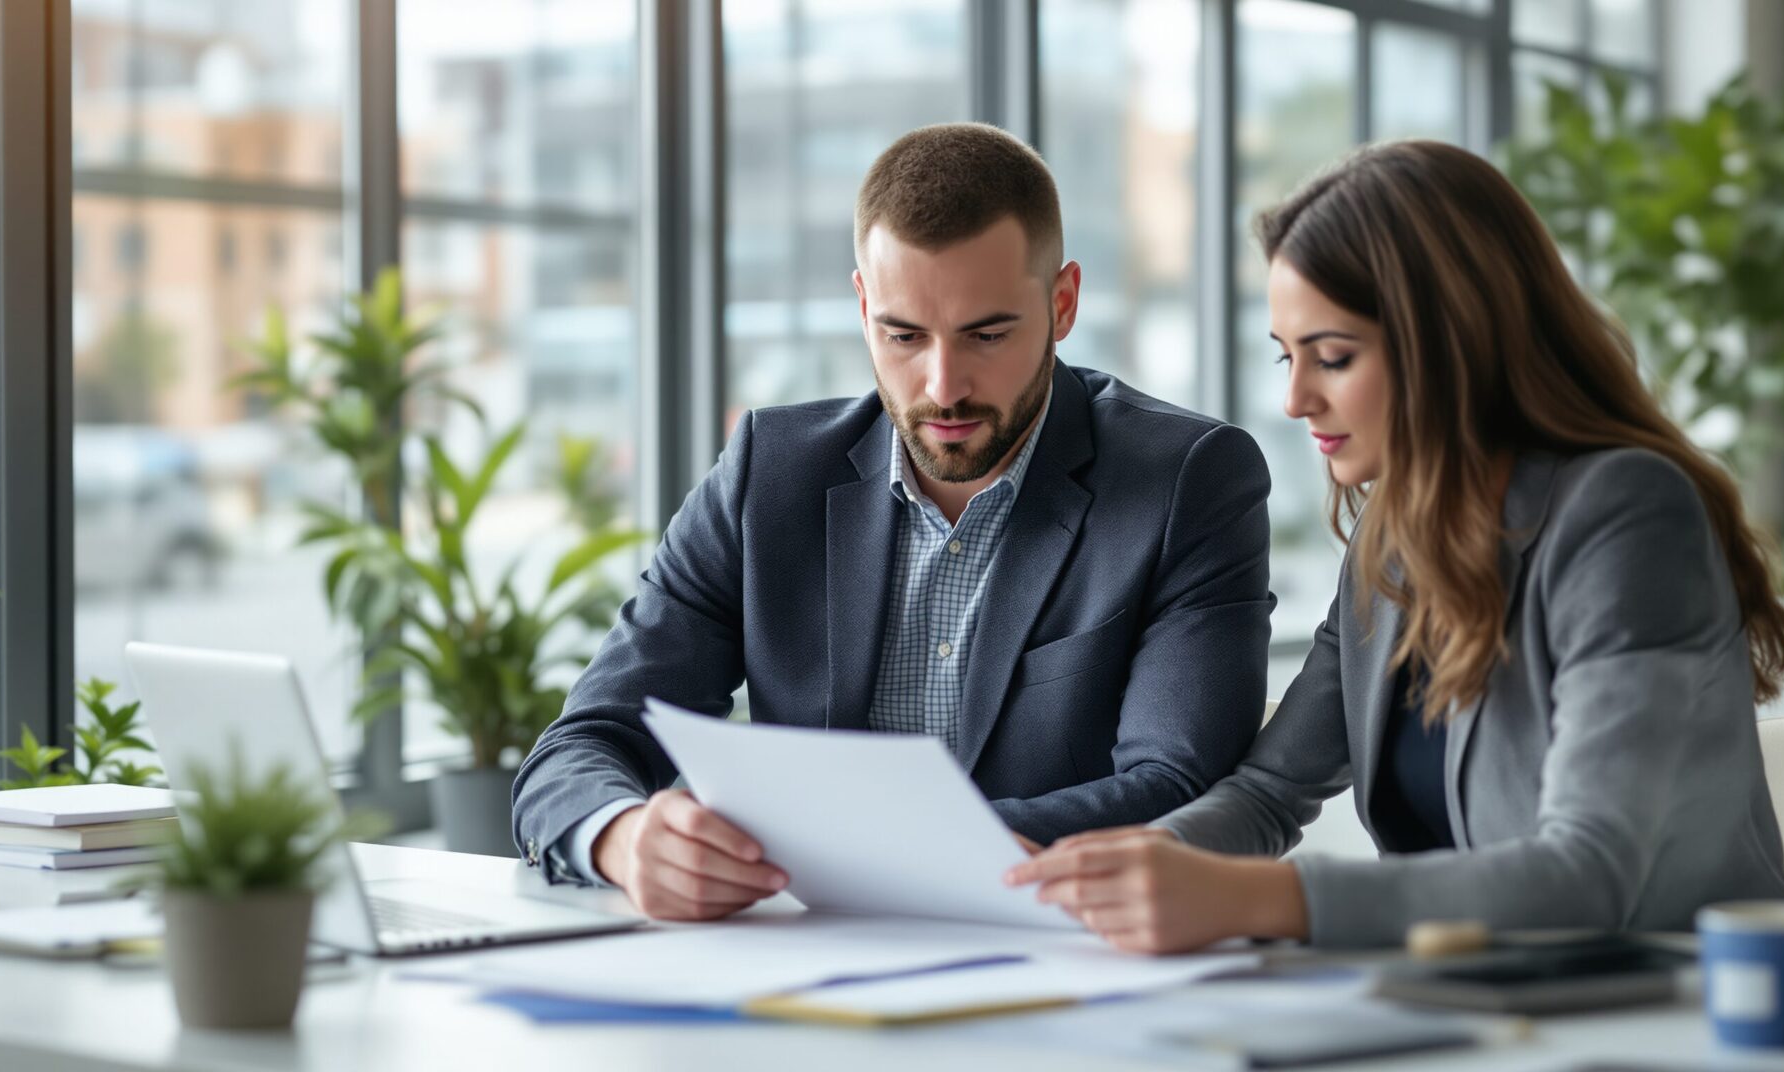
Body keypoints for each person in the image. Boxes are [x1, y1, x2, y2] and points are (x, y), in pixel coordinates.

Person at [1007, 139, 1784, 952]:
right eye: (1288, 356)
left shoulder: (1627, 512)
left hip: (1682, 1009)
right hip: (1472, 1004)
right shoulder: (1392, 540)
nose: (1294, 398)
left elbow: (1587, 872)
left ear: (1450, 339)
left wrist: (1259, 899)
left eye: (1334, 357)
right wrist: (1112, 863)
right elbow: (1272, 789)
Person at [513, 123, 1276, 922]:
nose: (943, 386)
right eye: (903, 335)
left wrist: (869, 849)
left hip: (1060, 958)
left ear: (1062, 302)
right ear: (863, 305)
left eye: (987, 334)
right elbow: (580, 745)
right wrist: (623, 838)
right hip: (805, 974)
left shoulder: (1188, 479)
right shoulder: (768, 472)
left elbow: (1183, 786)